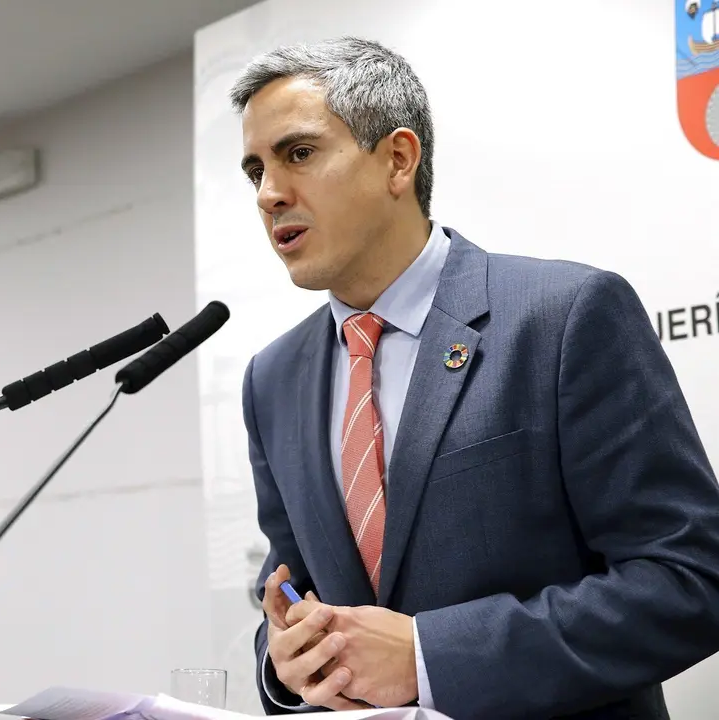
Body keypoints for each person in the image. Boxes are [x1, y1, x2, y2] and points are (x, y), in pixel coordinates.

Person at [228, 35, 719, 719]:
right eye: (255, 171)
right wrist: (284, 662)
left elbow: (690, 582)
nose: (270, 194)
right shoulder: (272, 380)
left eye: (299, 154)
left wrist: (431, 656)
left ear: (397, 160)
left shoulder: (562, 317)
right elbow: (288, 591)